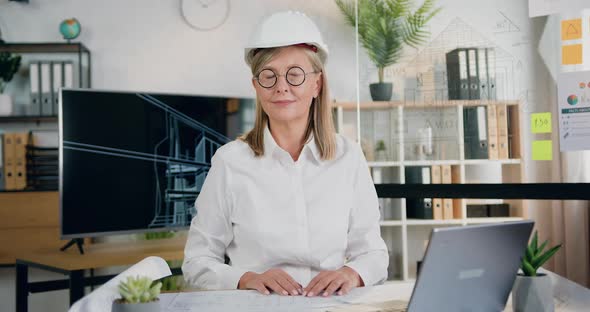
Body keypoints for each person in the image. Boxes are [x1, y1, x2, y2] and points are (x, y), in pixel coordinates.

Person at [182, 10, 388, 298]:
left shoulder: (349, 157)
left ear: (316, 84)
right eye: (269, 75)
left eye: (295, 74)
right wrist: (245, 278)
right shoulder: (230, 162)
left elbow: (374, 254)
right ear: (256, 86)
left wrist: (351, 274)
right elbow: (196, 262)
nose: (281, 86)